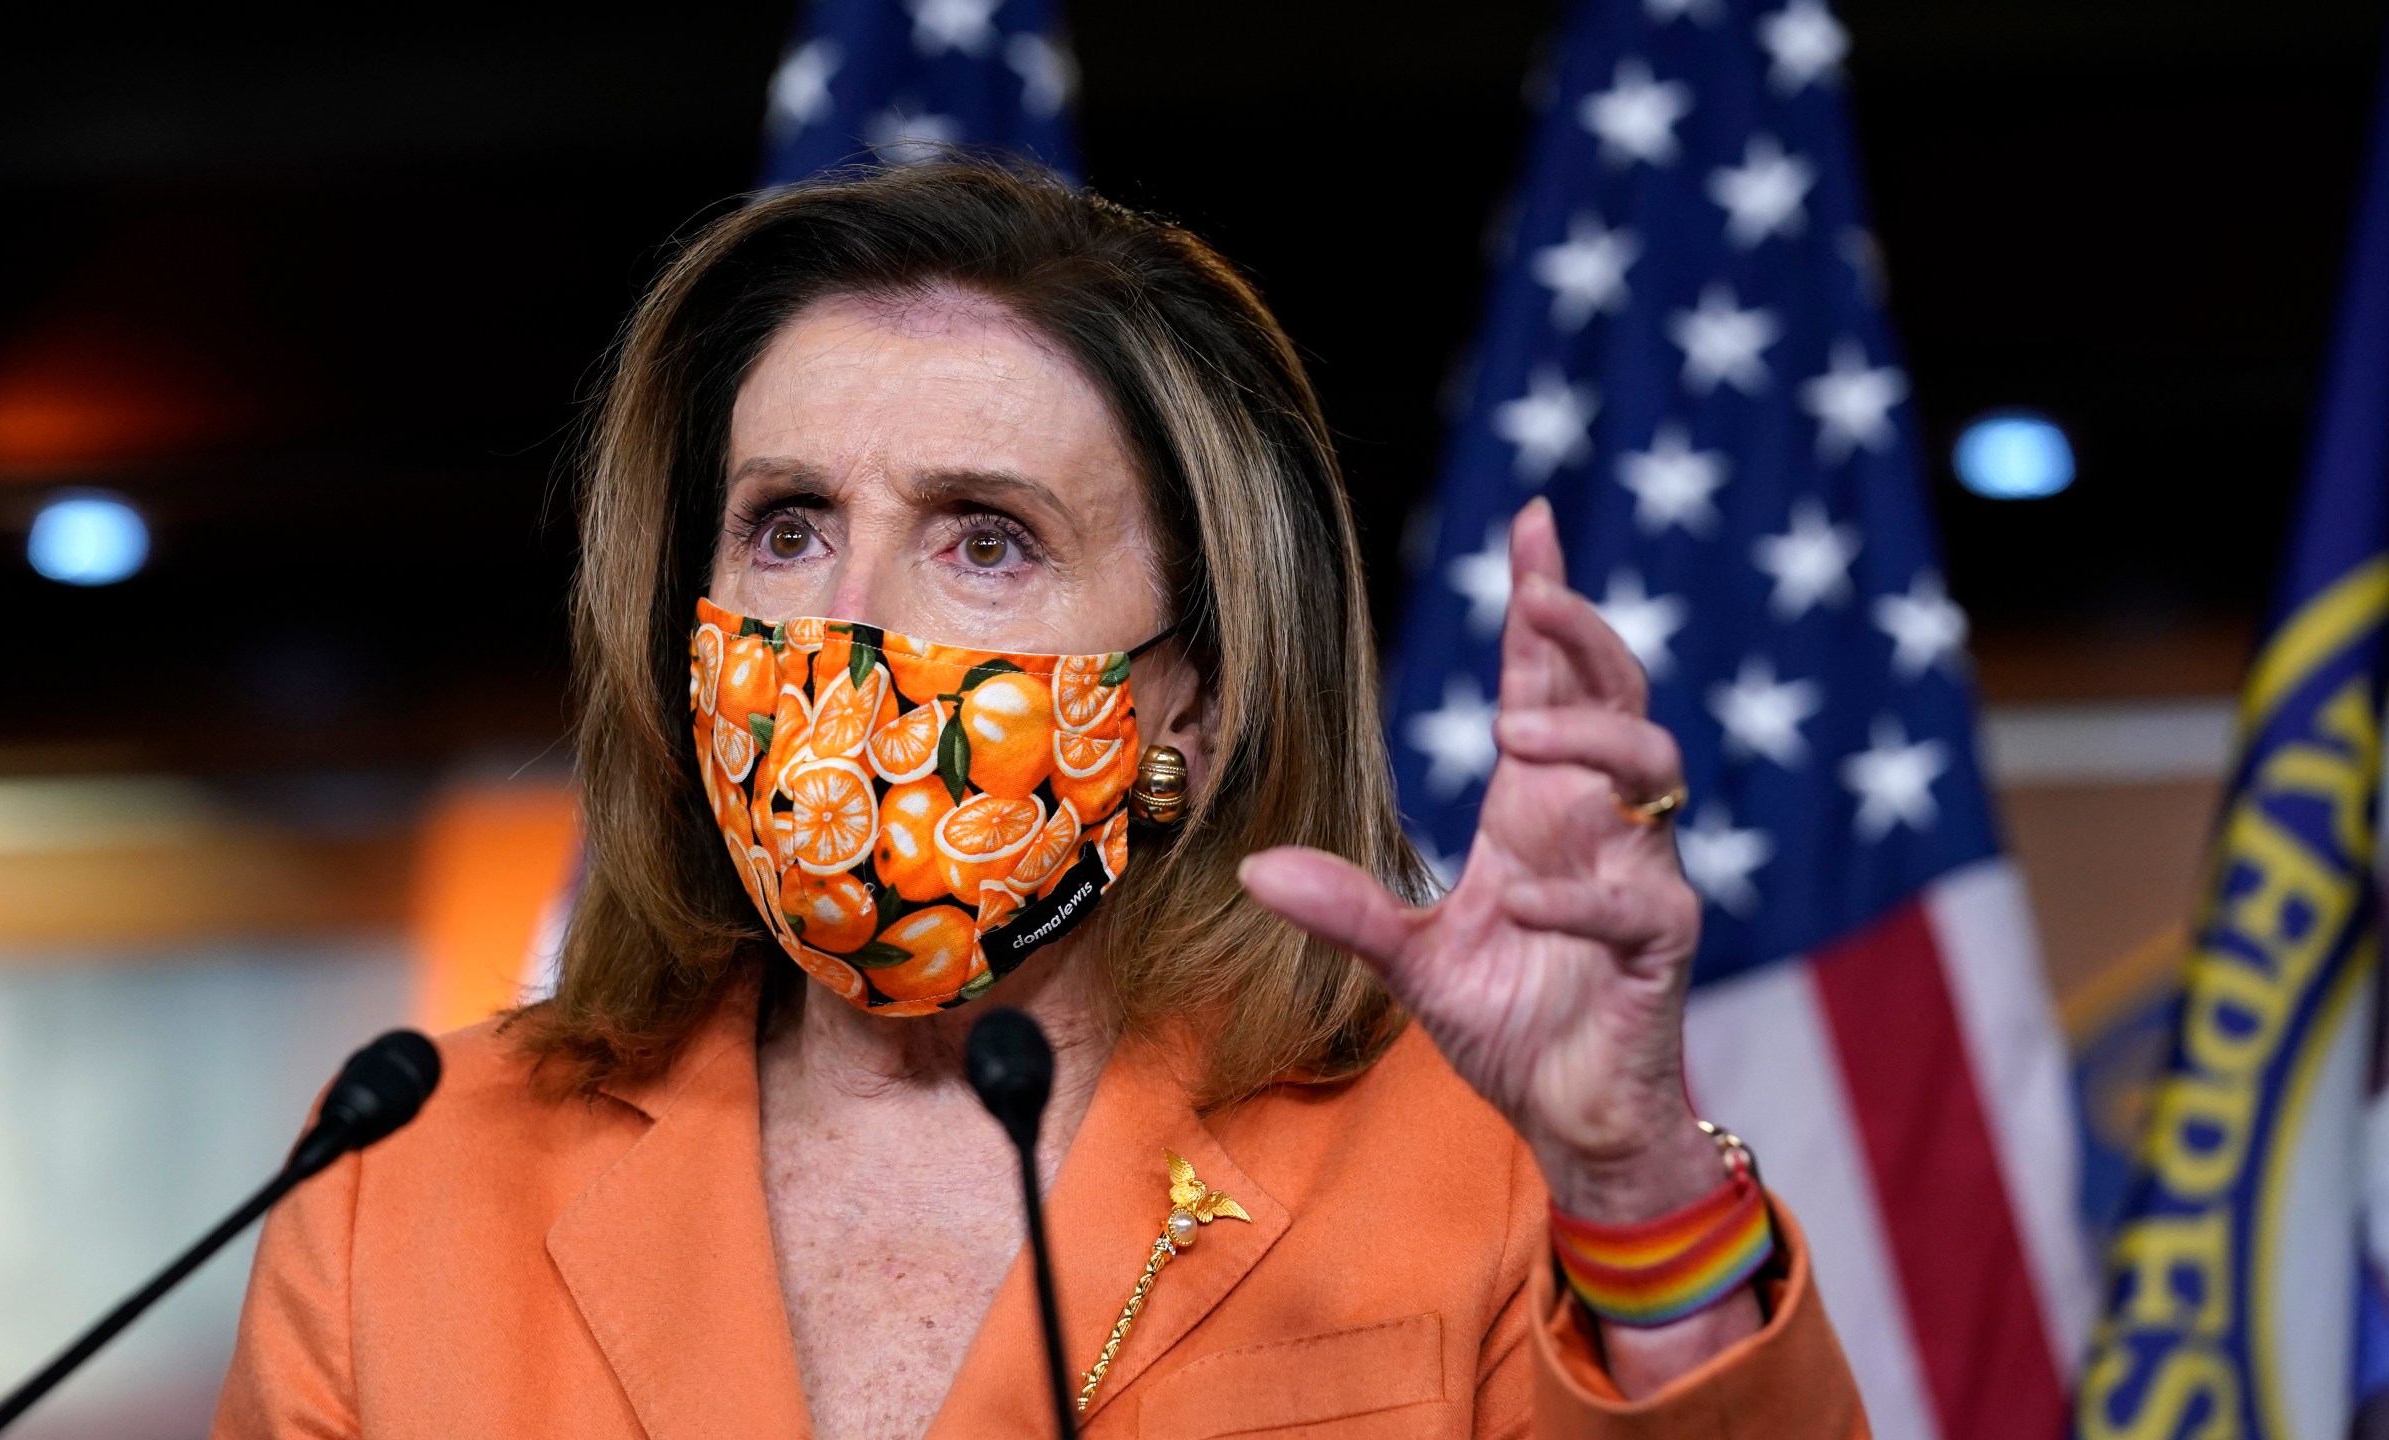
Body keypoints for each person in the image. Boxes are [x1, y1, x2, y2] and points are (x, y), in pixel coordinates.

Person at [214, 161, 1864, 1438]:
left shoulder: (1471, 1171)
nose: (842, 622)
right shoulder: (406, 1173)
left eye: (984, 538)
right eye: (785, 525)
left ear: (1193, 702)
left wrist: (1631, 1176)